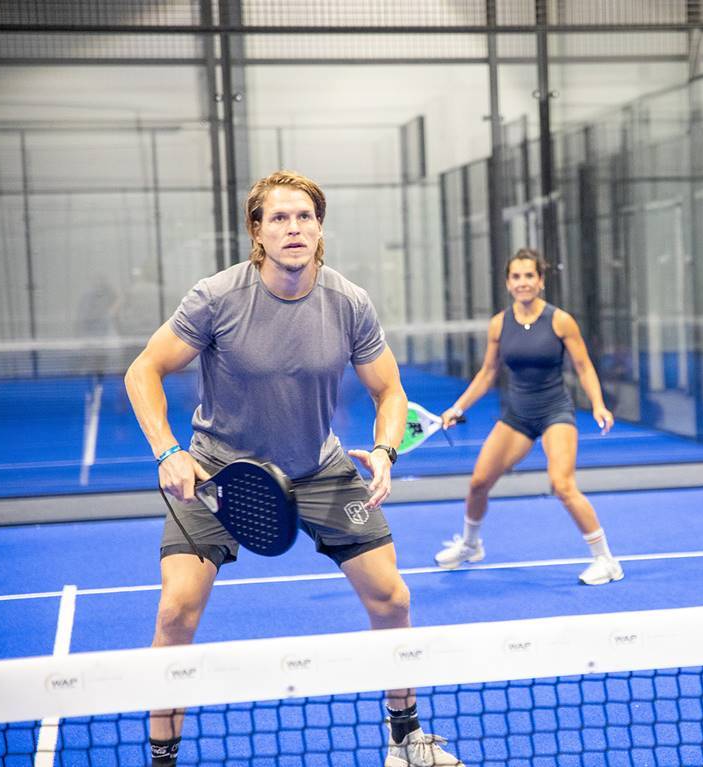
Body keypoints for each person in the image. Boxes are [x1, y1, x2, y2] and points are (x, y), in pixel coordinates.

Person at [124, 171, 462, 767]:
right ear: (257, 231)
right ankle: (162, 759)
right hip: (217, 476)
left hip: (318, 469)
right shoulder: (216, 298)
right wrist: (168, 451)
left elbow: (390, 392)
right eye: (278, 218)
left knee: (392, 599)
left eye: (304, 216)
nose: (293, 227)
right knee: (176, 611)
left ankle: (406, 738)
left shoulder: (348, 301)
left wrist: (385, 451)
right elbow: (143, 371)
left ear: (319, 227)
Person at [434, 248, 624, 586]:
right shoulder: (499, 323)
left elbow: (583, 366)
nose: (523, 283)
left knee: (563, 486)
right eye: (516, 277)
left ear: (541, 281)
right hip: (517, 416)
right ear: (508, 283)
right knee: (478, 483)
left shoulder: (560, 321)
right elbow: (487, 373)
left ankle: (606, 561)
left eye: (529, 276)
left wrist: (598, 403)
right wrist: (458, 407)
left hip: (555, 412)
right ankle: (470, 545)